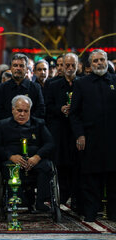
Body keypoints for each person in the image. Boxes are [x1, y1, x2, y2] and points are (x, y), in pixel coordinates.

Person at [69, 49, 116, 222]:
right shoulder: (82, 83)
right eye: (95, 61)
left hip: (112, 139)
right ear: (90, 64)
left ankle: (113, 213)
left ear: (106, 61)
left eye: (102, 60)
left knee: (113, 178)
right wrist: (79, 134)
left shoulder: (114, 80)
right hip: (90, 138)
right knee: (91, 178)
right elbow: (74, 114)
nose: (99, 63)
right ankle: (90, 212)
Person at [0, 95, 54, 211]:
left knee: (46, 166)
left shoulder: (39, 124)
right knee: (9, 167)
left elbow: (50, 143)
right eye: (19, 110)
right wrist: (10, 156)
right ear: (12, 110)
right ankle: (19, 200)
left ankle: (41, 202)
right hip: (13, 161)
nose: (22, 114)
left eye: (26, 111)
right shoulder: (2, 125)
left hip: (34, 160)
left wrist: (37, 156)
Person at [46, 53, 81, 211]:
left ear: (77, 65)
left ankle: (75, 200)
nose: (70, 68)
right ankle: (59, 197)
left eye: (73, 65)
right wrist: (60, 109)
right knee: (60, 166)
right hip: (59, 131)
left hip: (75, 131)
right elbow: (46, 107)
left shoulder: (82, 83)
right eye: (67, 65)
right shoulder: (53, 85)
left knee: (76, 166)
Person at [0, 53, 45, 121]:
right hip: (7, 128)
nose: (18, 68)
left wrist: (26, 122)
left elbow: (40, 110)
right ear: (11, 68)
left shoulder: (35, 87)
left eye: (21, 66)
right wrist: (13, 122)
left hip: (30, 127)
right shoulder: (1, 88)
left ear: (26, 69)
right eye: (15, 65)